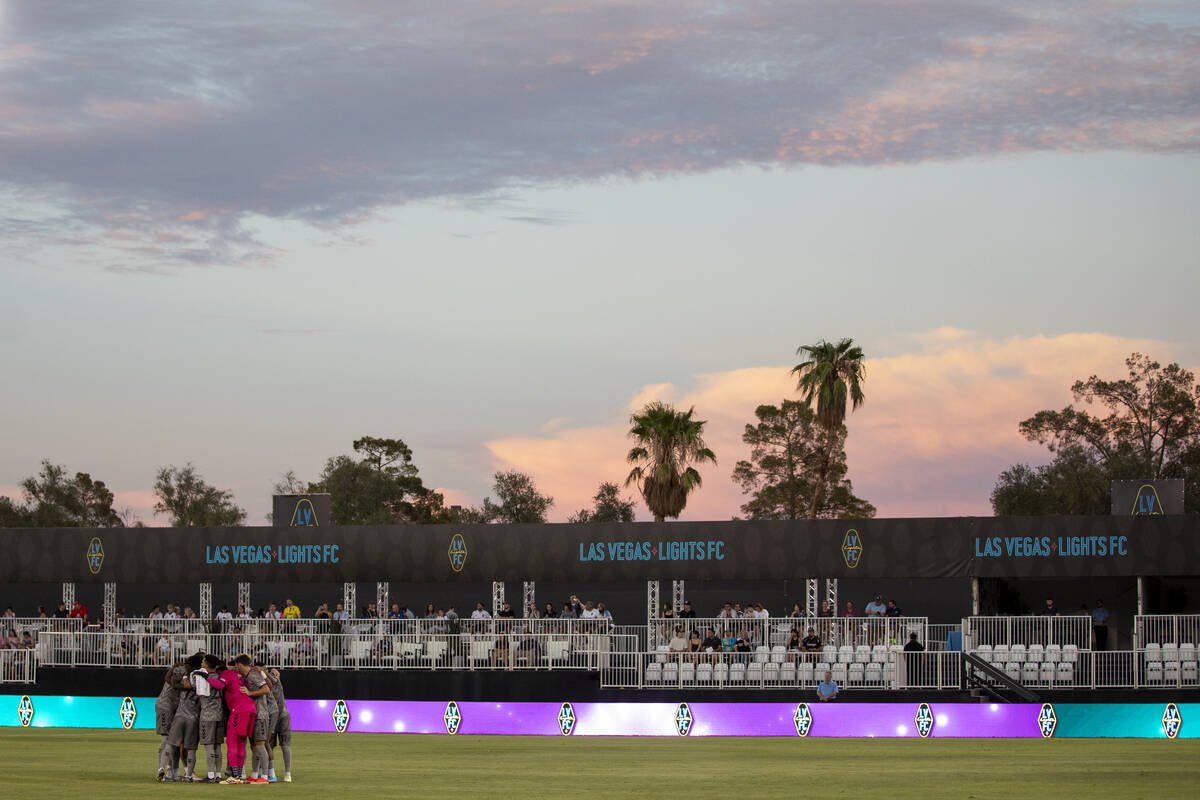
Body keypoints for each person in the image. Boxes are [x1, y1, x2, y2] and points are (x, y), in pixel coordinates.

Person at [206, 655, 257, 784]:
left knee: (232, 742)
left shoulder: (227, 673)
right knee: (241, 743)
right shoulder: (242, 676)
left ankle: (235, 776)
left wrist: (206, 677)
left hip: (239, 710)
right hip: (251, 709)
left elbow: (219, 685)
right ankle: (239, 775)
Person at [165, 652, 204, 782]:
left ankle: (168, 772)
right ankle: (188, 775)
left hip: (179, 715)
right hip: (193, 717)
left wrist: (182, 684)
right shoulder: (202, 677)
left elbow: (170, 681)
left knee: (172, 744)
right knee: (191, 747)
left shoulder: (184, 676)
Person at [155, 658, 191, 781]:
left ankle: (173, 771)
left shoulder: (184, 672)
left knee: (174, 740)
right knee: (166, 739)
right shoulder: (181, 673)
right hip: (166, 707)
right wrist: (187, 686)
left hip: (173, 708)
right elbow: (172, 681)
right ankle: (162, 769)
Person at [195, 654, 226, 783]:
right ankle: (218, 774)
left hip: (207, 715)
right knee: (218, 745)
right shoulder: (219, 677)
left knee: (209, 746)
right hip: (219, 714)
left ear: (207, 664)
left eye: (203, 661)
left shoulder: (201, 677)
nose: (201, 663)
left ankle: (211, 775)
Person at [242, 662, 274, 783]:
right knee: (255, 747)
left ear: (240, 665)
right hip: (253, 715)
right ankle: (254, 775)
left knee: (260, 746)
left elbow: (267, 688)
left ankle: (265, 777)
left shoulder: (254, 675)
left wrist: (250, 693)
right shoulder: (248, 676)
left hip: (261, 715)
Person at [267, 668, 293, 783]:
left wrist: (265, 672)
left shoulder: (273, 680)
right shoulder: (267, 682)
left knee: (284, 745)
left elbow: (274, 680)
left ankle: (287, 773)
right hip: (276, 716)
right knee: (270, 745)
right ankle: (271, 772)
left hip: (280, 717)